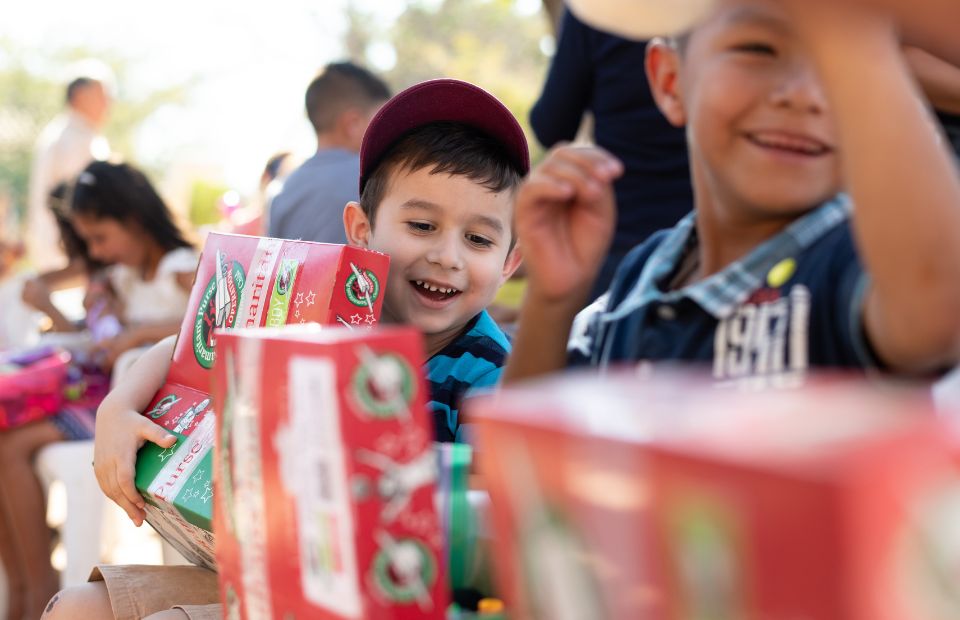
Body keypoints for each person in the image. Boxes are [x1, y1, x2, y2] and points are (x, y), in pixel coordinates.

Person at [44, 78, 528, 620]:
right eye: (421, 225)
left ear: (510, 260)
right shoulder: (335, 310)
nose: (448, 256)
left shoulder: (492, 373)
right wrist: (118, 407)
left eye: (479, 239)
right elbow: (197, 345)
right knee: (74, 609)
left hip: (389, 598)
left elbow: (487, 534)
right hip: (272, 570)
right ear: (362, 230)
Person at [504, 0, 960, 386]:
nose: (803, 96)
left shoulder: (862, 266)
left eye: (840, 65)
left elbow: (937, 309)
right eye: (759, 49)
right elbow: (520, 463)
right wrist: (552, 300)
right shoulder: (640, 280)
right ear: (670, 82)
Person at [530, 8, 692, 298]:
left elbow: (551, 125)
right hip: (708, 237)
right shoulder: (720, 10)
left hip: (619, 240)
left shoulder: (597, 9)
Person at [266, 62, 390, 243]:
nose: (387, 132)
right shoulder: (373, 178)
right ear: (353, 124)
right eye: (381, 121)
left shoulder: (283, 189)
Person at [28, 60, 113, 274]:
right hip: (69, 254)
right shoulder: (72, 139)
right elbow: (84, 202)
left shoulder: (76, 134)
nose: (108, 102)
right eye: (102, 95)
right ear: (80, 95)